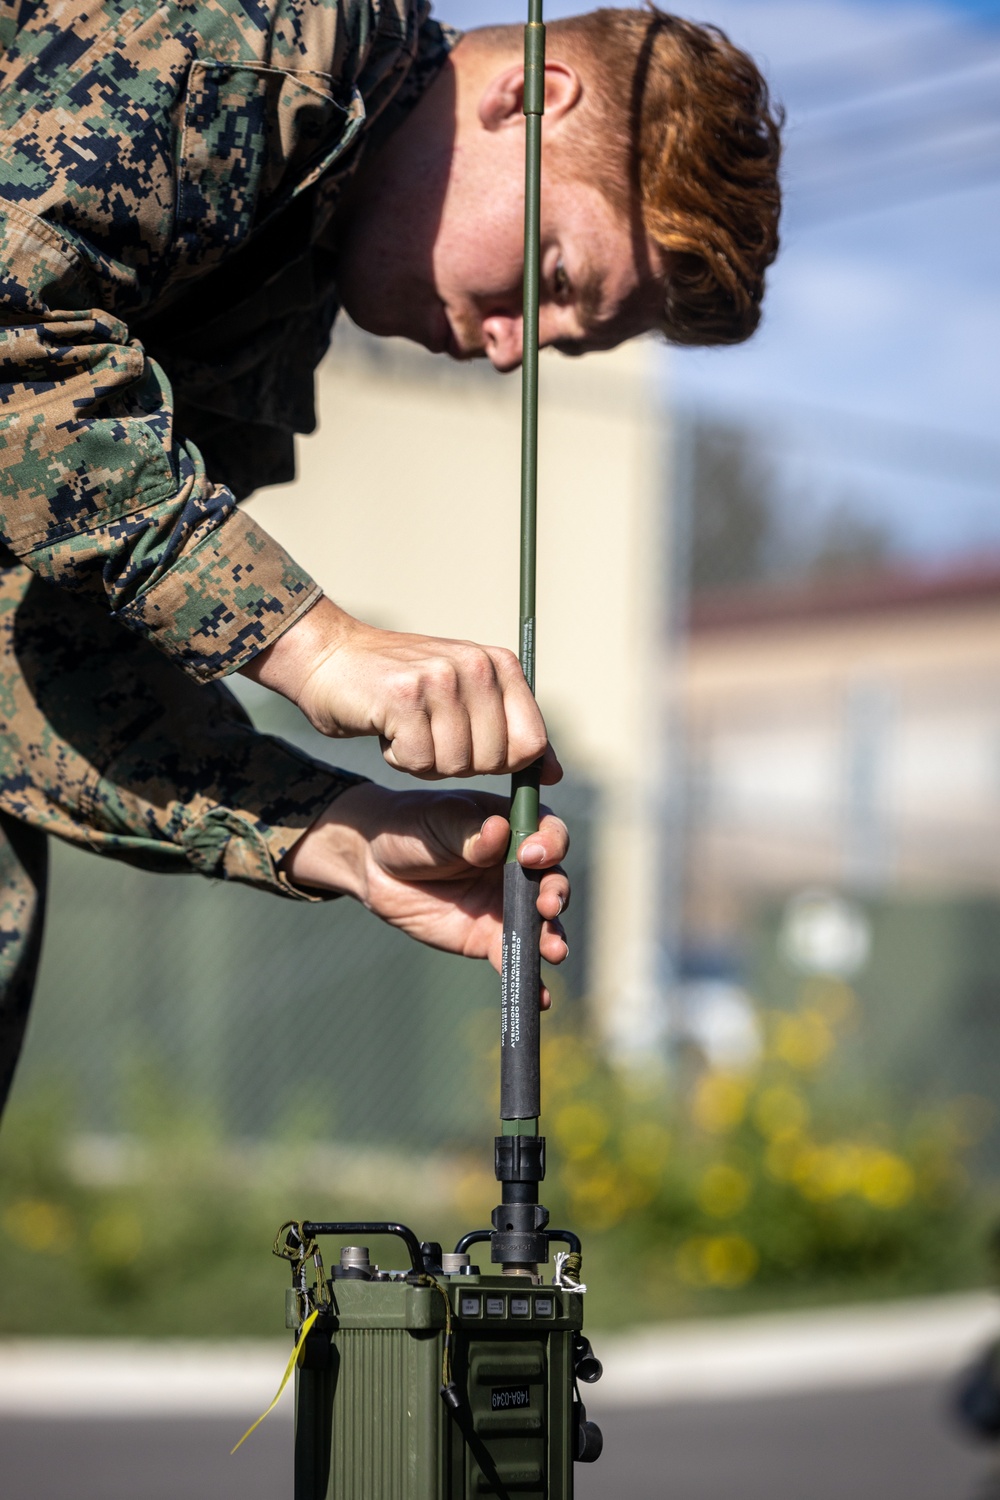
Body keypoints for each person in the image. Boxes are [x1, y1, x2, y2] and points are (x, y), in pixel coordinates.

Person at [0, 1, 782, 1112]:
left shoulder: (282, 285)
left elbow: (30, 646)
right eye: (553, 278)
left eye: (559, 340)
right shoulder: (265, 40)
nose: (512, 352)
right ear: (530, 95)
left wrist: (343, 830)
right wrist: (310, 643)